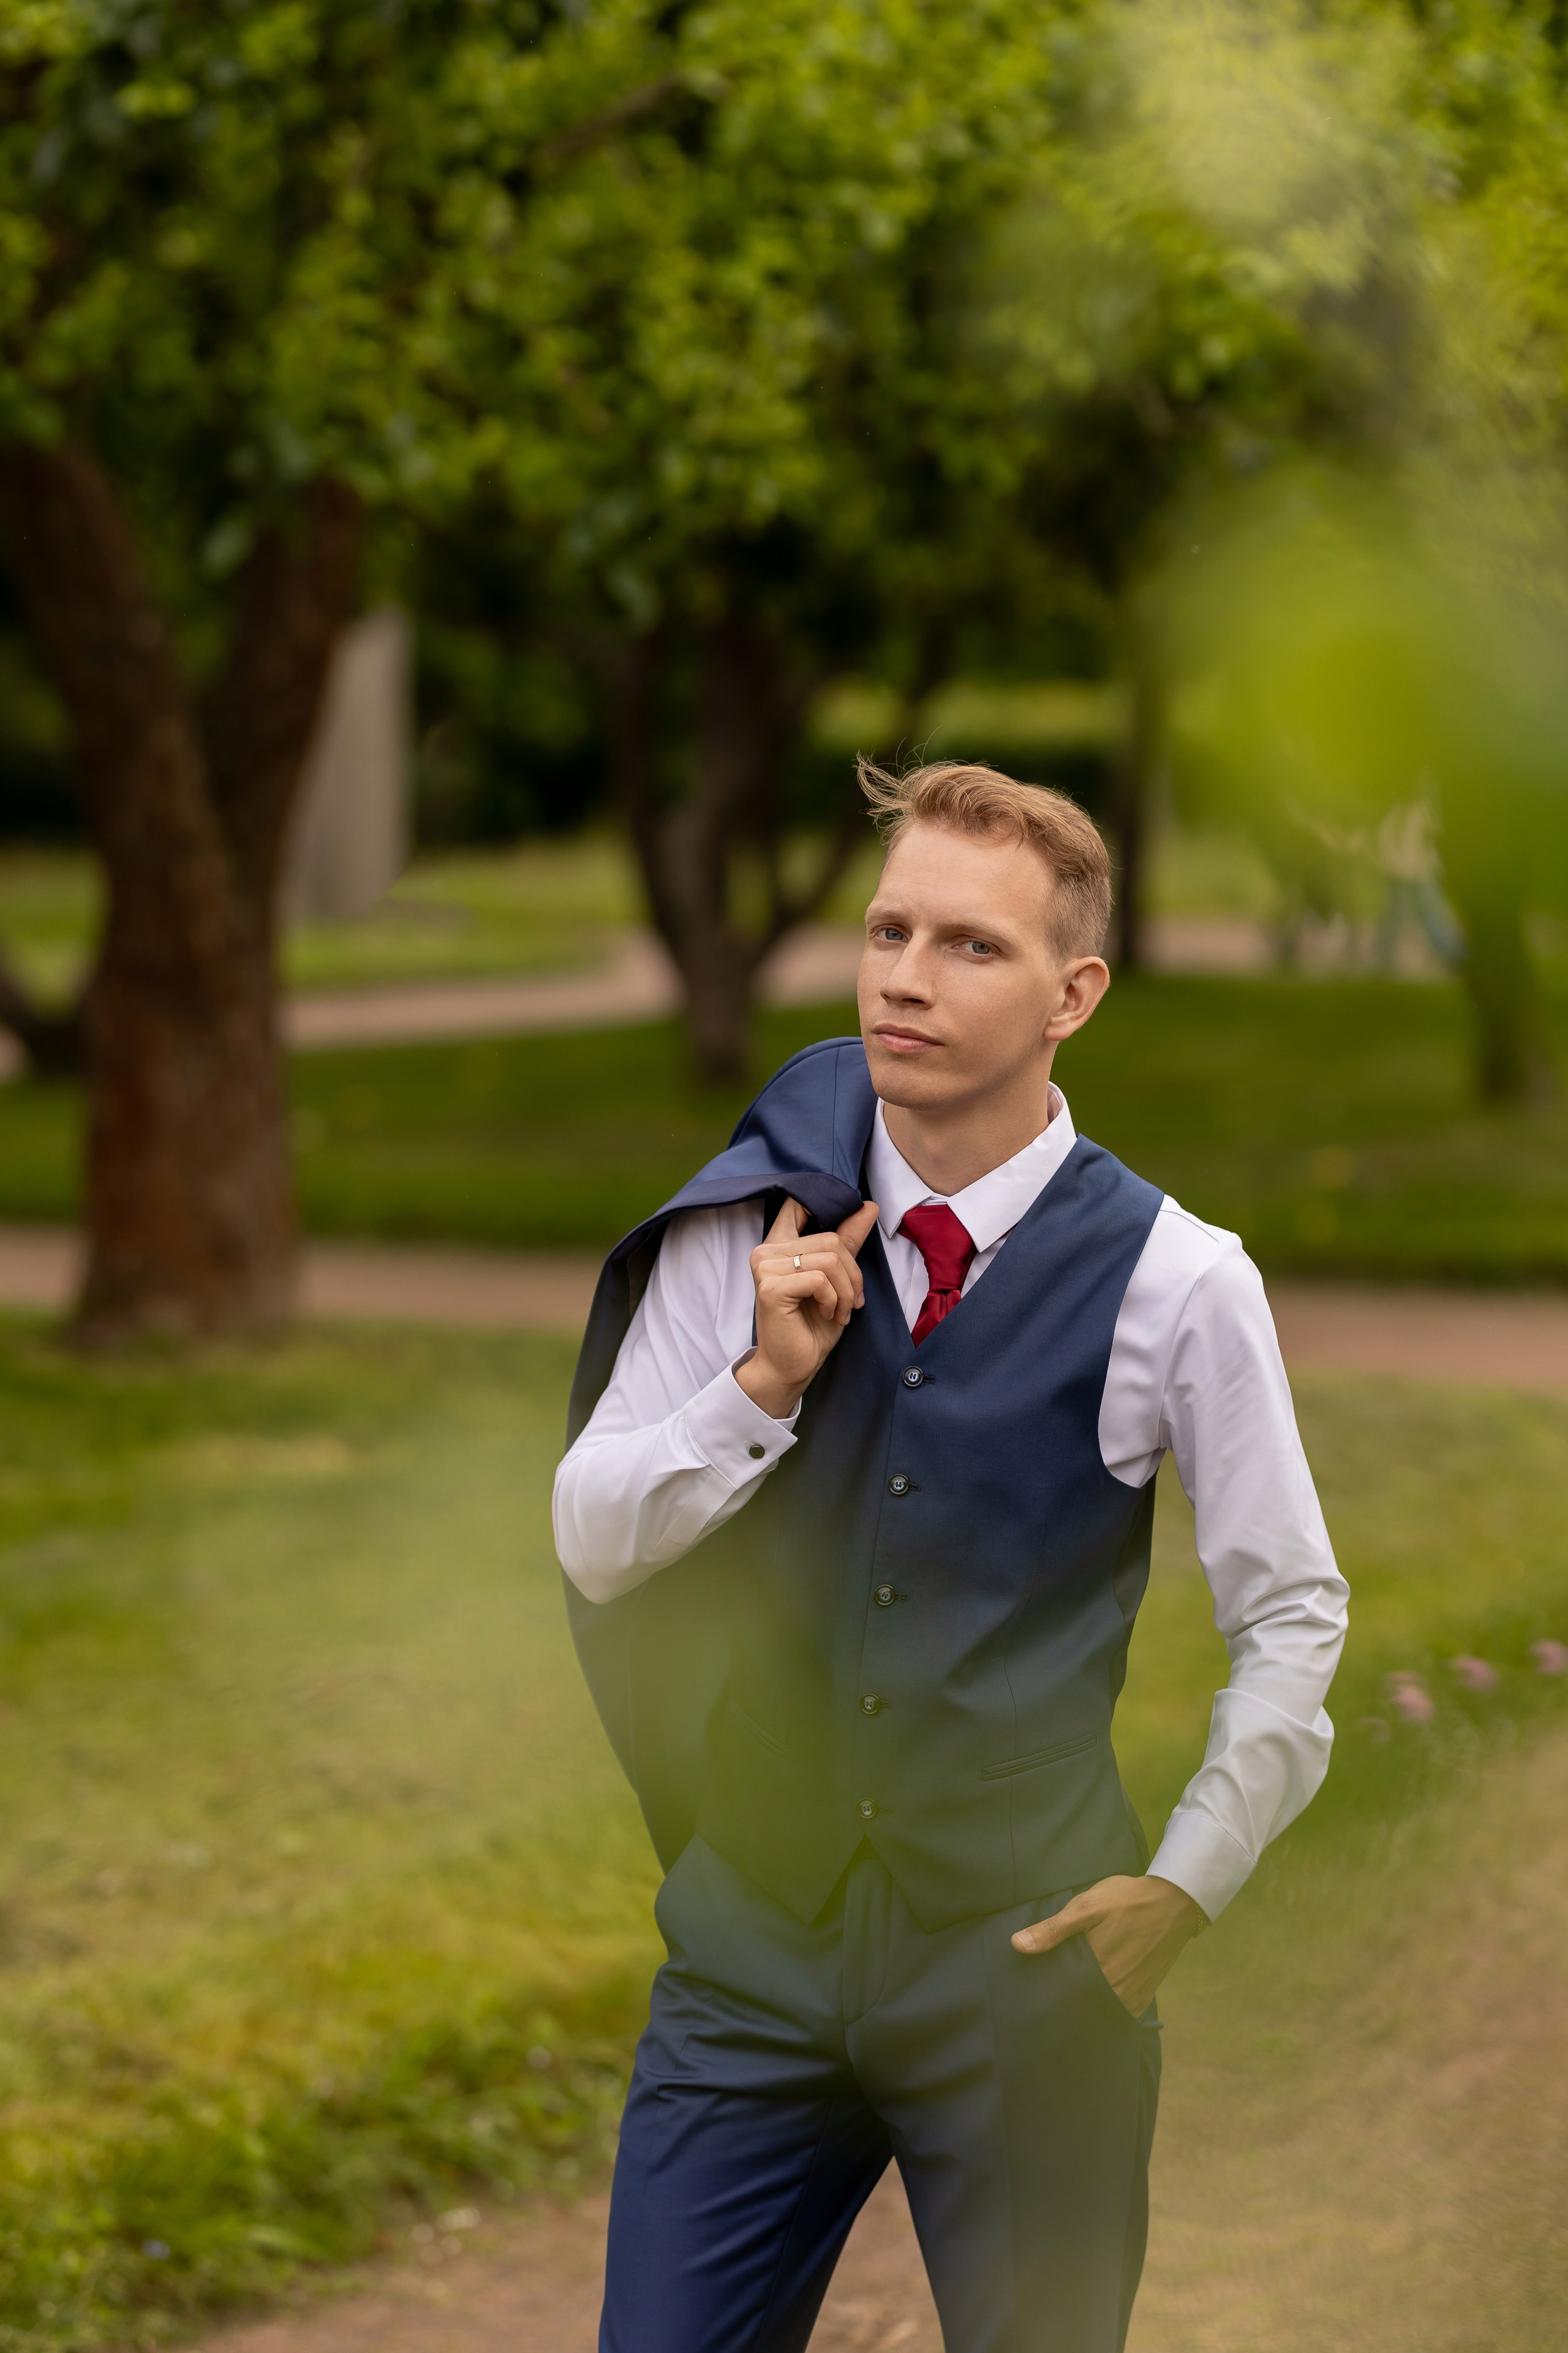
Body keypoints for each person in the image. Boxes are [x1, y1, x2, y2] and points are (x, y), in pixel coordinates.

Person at [555, 760, 1348, 2353]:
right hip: (751, 1963)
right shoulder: (763, 1217)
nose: (906, 977)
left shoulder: (1181, 1282)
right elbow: (594, 1532)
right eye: (888, 928)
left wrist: (1190, 1880)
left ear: (1077, 990)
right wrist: (759, 1386)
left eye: (970, 945)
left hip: (1024, 1978)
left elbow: (1291, 1610)